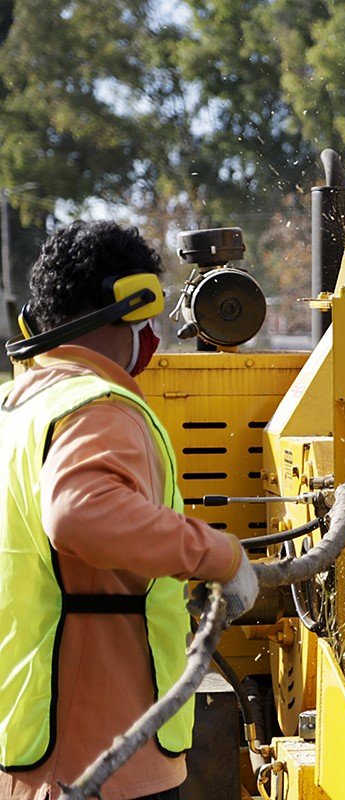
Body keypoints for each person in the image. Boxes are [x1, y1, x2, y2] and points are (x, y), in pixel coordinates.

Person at [0, 221, 259, 800]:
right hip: (109, 761)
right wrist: (216, 555)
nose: (150, 335)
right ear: (125, 305)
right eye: (144, 317)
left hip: (32, 747)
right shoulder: (97, 408)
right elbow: (79, 514)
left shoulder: (19, 409)